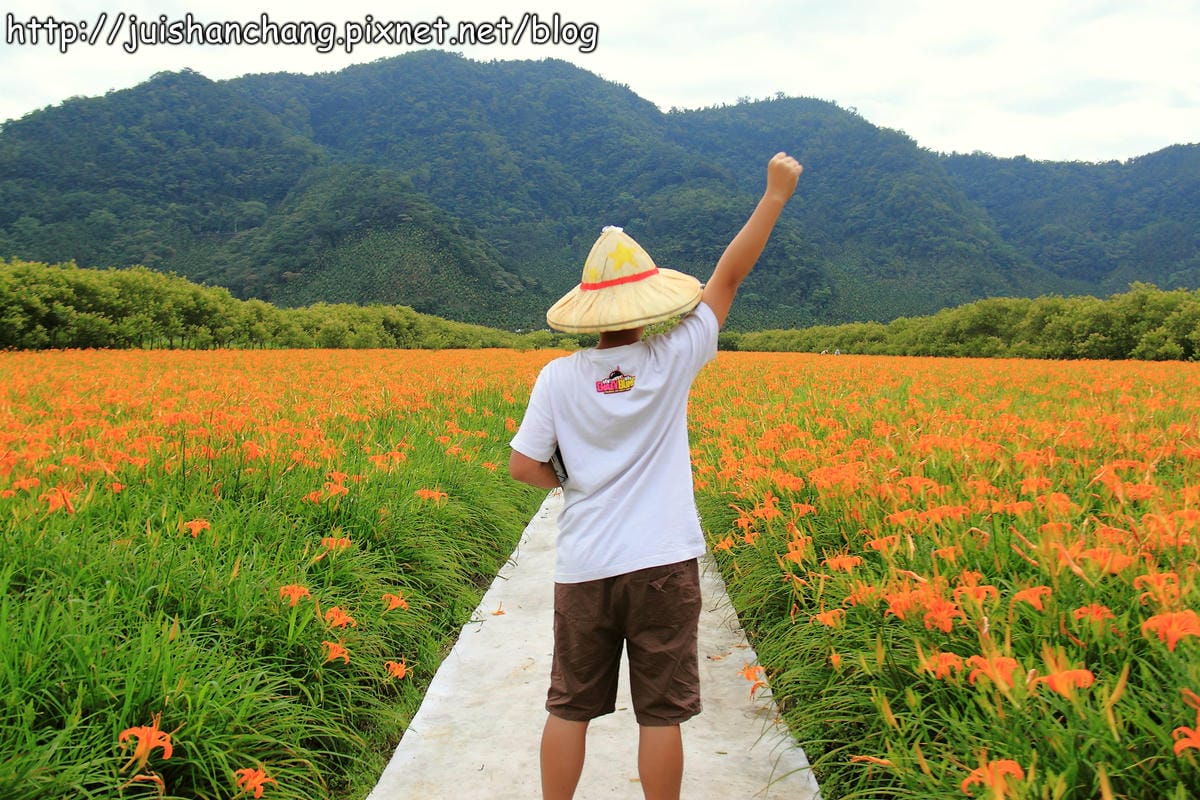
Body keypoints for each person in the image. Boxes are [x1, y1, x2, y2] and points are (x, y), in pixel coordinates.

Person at [508, 151, 803, 800]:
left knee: (569, 707)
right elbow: (727, 278)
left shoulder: (558, 378)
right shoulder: (674, 355)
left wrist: (573, 478)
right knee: (661, 714)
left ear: (588, 313)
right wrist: (774, 195)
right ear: (646, 304)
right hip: (664, 565)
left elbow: (523, 465)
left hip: (586, 566)